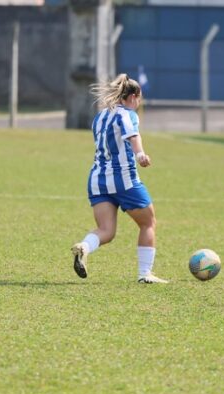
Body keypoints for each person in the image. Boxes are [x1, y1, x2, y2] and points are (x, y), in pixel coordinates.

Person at [71, 73, 167, 284]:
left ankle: (84, 247)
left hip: (97, 179)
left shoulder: (100, 116)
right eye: (139, 98)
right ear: (133, 96)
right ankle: (145, 274)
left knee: (106, 231)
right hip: (123, 178)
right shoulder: (128, 114)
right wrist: (140, 153)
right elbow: (133, 134)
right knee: (148, 222)